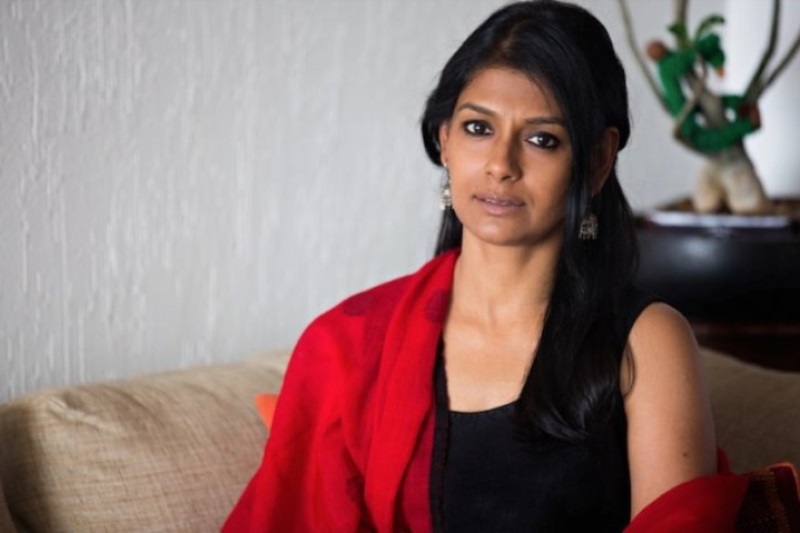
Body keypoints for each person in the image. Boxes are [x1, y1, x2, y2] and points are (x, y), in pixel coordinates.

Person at [224, 1, 749, 530]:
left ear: (597, 161)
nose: (501, 165)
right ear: (444, 140)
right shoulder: (347, 345)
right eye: (478, 128)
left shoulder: (647, 342)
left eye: (542, 139)